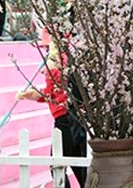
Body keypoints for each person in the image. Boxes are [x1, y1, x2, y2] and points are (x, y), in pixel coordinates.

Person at [16, 41, 87, 187]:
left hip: (64, 119)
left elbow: (54, 92)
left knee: (57, 165)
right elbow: (56, 92)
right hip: (78, 117)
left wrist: (36, 94)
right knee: (80, 167)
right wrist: (38, 95)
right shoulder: (71, 61)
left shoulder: (55, 64)